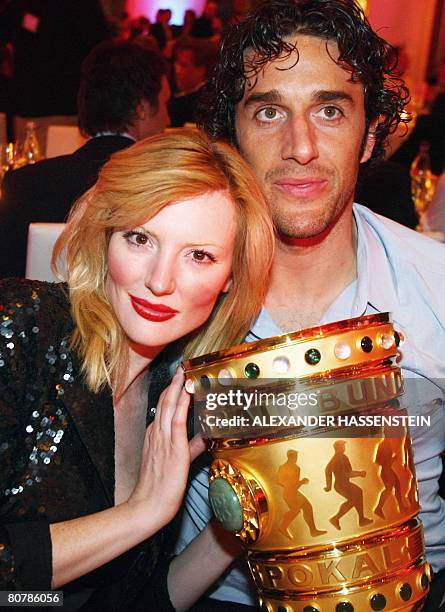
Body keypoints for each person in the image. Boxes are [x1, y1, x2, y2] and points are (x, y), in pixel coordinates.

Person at [174, 1, 445, 609]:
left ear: (371, 132)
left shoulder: (436, 286)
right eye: (269, 111)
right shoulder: (171, 294)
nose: (300, 146)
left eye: (329, 110)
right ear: (232, 137)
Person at [0, 129, 274, 609]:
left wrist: (240, 526)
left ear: (230, 277)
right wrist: (141, 513)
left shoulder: (170, 401)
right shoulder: (21, 329)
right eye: (141, 238)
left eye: (199, 255)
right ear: (106, 235)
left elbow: (127, 599)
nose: (160, 281)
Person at [0, 39, 170, 279]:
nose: (167, 118)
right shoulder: (162, 189)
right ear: (141, 109)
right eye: (164, 104)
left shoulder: (23, 184)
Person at [0, 0, 110, 149]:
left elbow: (101, 49)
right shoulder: (22, 5)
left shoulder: (82, 6)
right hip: (35, 108)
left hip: (64, 110)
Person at [169, 37, 219, 127]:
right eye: (177, 64)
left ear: (200, 71)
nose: (177, 70)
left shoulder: (183, 106)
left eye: (183, 65)